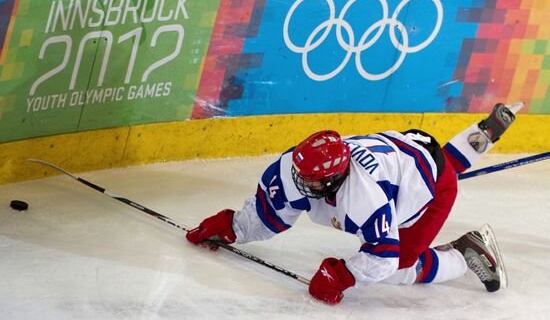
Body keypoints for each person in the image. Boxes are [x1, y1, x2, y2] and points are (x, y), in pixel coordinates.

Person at [186, 102, 522, 305]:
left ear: (334, 178)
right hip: (405, 151)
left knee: (403, 264)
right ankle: (481, 136)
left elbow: (384, 258)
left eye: (313, 181)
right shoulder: (296, 166)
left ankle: (464, 255)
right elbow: (271, 212)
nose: (302, 182)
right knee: (428, 165)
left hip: (429, 181)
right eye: (301, 173)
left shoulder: (364, 198)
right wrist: (233, 227)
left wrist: (345, 275)